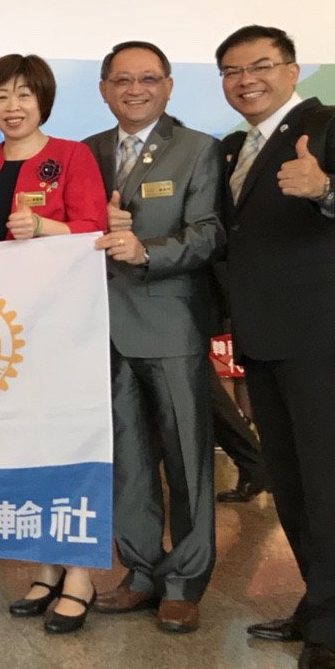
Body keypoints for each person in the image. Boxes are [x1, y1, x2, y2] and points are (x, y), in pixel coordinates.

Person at [216, 24, 335, 669]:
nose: (246, 80)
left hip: (319, 331)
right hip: (263, 334)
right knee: (288, 480)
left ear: (291, 69)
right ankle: (319, 604)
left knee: (329, 483)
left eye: (260, 65)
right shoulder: (234, 148)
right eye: (232, 70)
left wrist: (323, 188)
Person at [84, 41, 224, 635]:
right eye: (122, 80)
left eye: (147, 79)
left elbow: (209, 233)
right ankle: (141, 572)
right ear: (103, 89)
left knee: (187, 460)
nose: (134, 90)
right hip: (100, 331)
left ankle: (185, 582)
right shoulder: (85, 152)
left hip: (170, 327)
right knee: (128, 461)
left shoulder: (198, 149)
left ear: (167, 86)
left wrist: (147, 251)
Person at [0, 53, 108, 634]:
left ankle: (81, 574)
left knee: (66, 439)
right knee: (23, 444)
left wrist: (46, 227)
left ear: (43, 101)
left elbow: (96, 228)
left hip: (62, 322)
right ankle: (46, 567)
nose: (13, 106)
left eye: (25, 94)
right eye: (2, 95)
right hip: (5, 326)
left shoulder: (72, 156)